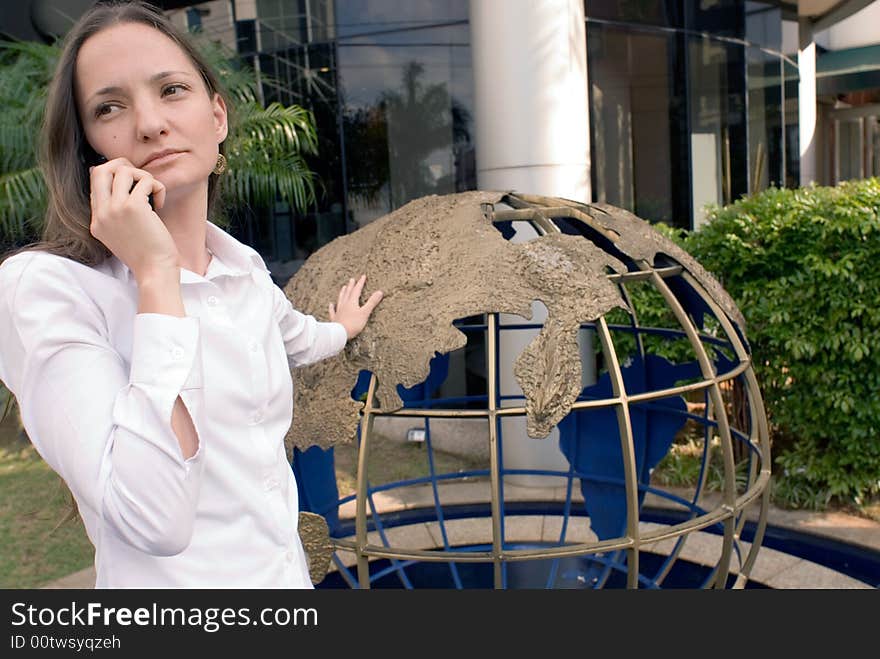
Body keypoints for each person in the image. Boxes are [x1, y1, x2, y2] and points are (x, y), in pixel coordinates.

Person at [0, 0, 382, 588]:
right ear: (89, 148)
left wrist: (345, 327)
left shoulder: (245, 274)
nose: (150, 123)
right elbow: (152, 518)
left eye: (172, 90)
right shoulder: (49, 289)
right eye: (109, 107)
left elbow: (299, 339)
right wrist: (156, 274)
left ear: (219, 117)